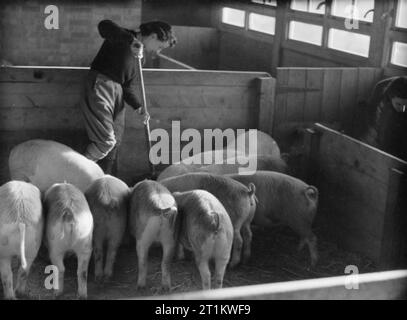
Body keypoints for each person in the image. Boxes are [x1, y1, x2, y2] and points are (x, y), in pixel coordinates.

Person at [80, 20, 176, 174]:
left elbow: (127, 87)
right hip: (101, 84)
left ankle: (106, 177)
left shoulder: (140, 58)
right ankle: (78, 169)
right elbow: (104, 25)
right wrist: (132, 40)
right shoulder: (122, 37)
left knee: (116, 141)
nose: (157, 52)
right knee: (106, 141)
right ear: (152, 36)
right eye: (159, 46)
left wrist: (139, 107)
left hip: (117, 93)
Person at [360, 76, 407, 160]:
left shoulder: (403, 106)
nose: (402, 108)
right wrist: (372, 128)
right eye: (398, 104)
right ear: (391, 97)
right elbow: (371, 110)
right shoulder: (380, 90)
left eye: (405, 105)